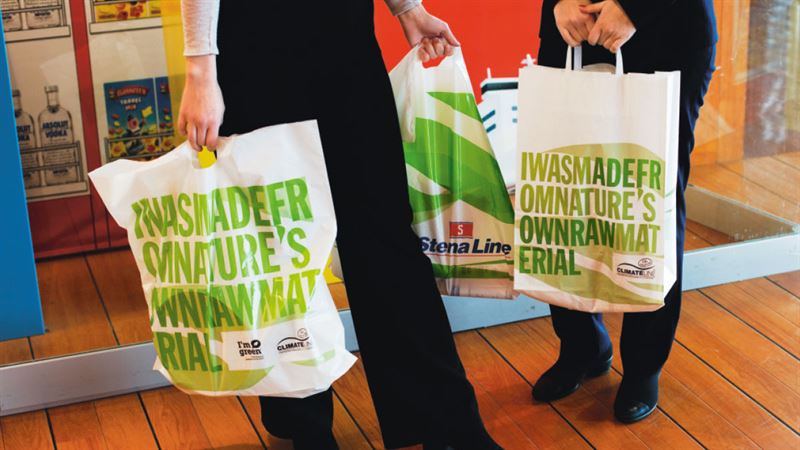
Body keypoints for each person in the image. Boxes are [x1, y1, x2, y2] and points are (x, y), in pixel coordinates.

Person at [178, 1, 502, 449]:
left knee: (385, 234)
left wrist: (407, 8)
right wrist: (200, 69)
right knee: (279, 245)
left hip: (343, 35)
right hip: (252, 42)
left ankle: (445, 420)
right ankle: (304, 424)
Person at [532, 0, 717, 423]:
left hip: (668, 28)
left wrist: (635, 7)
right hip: (573, 29)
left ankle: (643, 365)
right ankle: (582, 346)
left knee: (652, 197)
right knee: (567, 191)